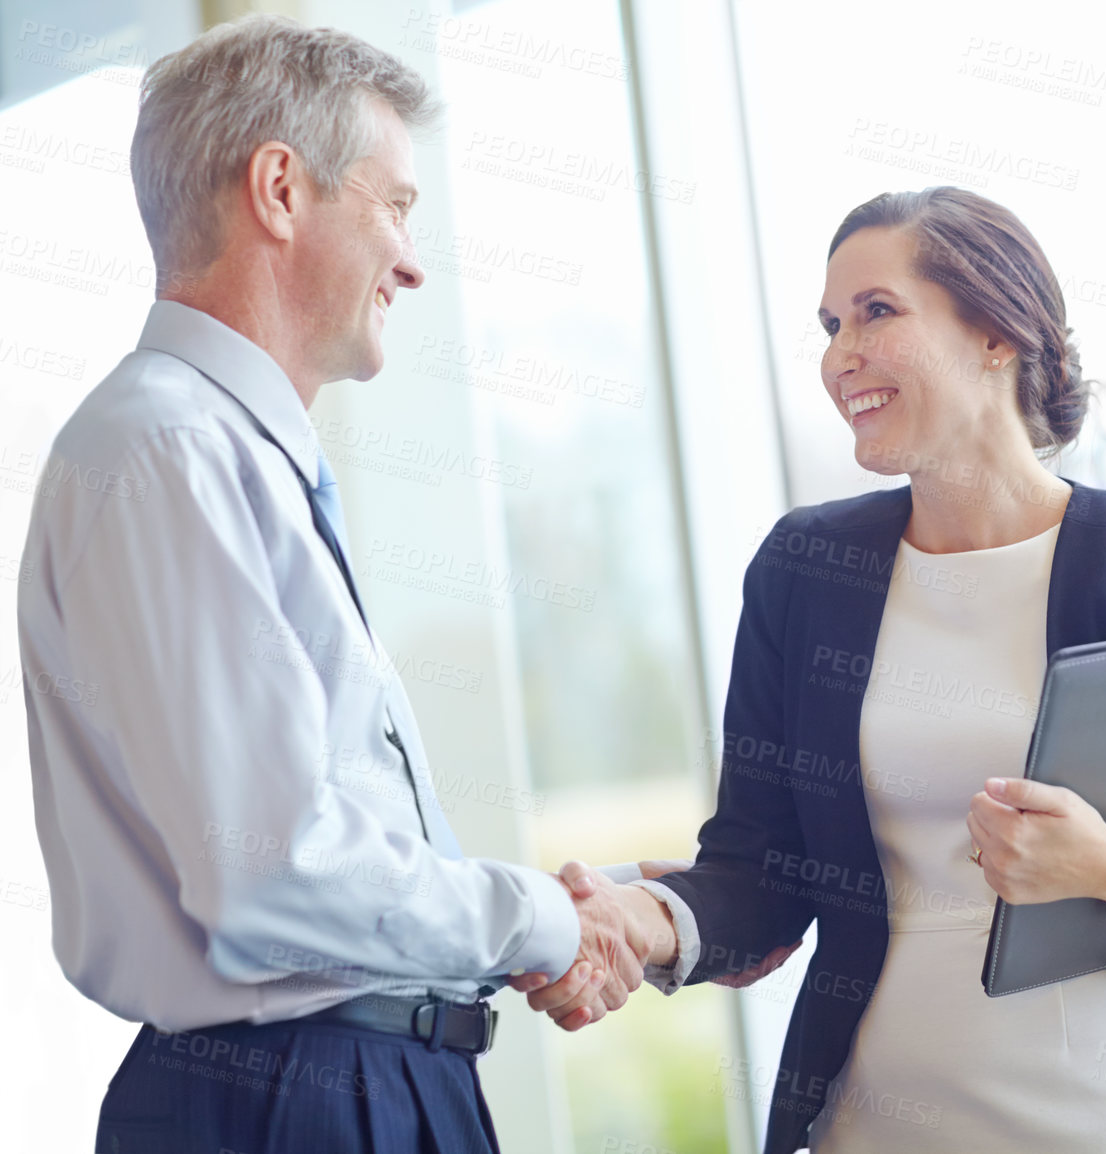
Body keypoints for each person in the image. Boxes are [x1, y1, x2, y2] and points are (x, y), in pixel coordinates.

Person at [519, 187, 1106, 1153]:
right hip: (873, 1123)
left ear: (996, 332)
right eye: (831, 326)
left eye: (877, 312)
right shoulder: (805, 570)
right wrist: (639, 919)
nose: (839, 357)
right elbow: (761, 872)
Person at [17, 17, 643, 1153]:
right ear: (280, 189)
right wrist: (542, 918)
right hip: (299, 1098)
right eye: (395, 205)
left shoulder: (221, 455)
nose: (411, 258)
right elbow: (275, 870)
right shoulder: (172, 452)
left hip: (345, 1083)